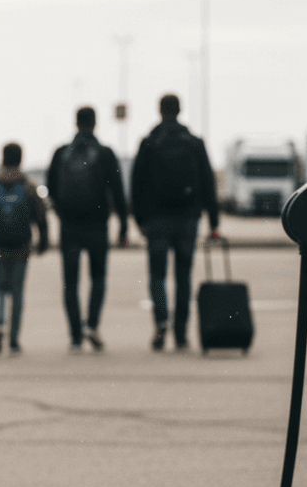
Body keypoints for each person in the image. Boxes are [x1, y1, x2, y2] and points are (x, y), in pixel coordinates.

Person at [130, 93, 220, 351]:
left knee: (157, 275)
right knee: (183, 276)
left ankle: (161, 322)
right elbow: (207, 181)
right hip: (187, 219)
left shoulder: (149, 142)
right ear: (179, 110)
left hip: (156, 220)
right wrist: (213, 220)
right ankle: (181, 333)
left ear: (160, 111)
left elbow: (137, 183)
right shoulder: (193, 142)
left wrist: (139, 219)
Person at [46, 106, 128, 351]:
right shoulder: (105, 153)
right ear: (95, 123)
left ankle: (75, 334)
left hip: (70, 226)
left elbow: (51, 189)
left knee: (70, 282)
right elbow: (117, 190)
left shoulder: (60, 153)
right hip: (97, 225)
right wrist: (123, 224)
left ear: (75, 122)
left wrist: (62, 214)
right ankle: (92, 324)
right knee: (98, 277)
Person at [0, 142, 49, 355]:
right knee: (17, 291)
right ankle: (14, 339)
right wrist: (44, 240)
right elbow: (41, 216)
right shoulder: (28, 185)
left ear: (2, 158)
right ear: (20, 159)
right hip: (21, 246)